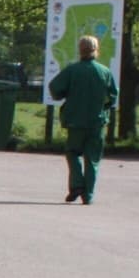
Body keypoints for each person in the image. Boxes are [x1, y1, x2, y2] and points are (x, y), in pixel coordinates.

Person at [49, 35, 117, 205]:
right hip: (96, 122)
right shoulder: (105, 72)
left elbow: (55, 88)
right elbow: (112, 96)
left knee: (72, 153)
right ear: (96, 50)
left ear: (80, 50)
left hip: (75, 121)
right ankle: (88, 195)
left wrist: (65, 95)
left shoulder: (72, 70)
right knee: (92, 158)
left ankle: (77, 185)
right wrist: (103, 107)